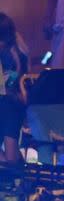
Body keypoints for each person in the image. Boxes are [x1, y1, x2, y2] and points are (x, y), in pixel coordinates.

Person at [0, 13, 28, 165]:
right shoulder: (18, 48)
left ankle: (16, 175)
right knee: (11, 157)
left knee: (10, 159)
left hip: (8, 105)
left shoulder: (10, 52)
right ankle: (19, 175)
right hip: (14, 105)